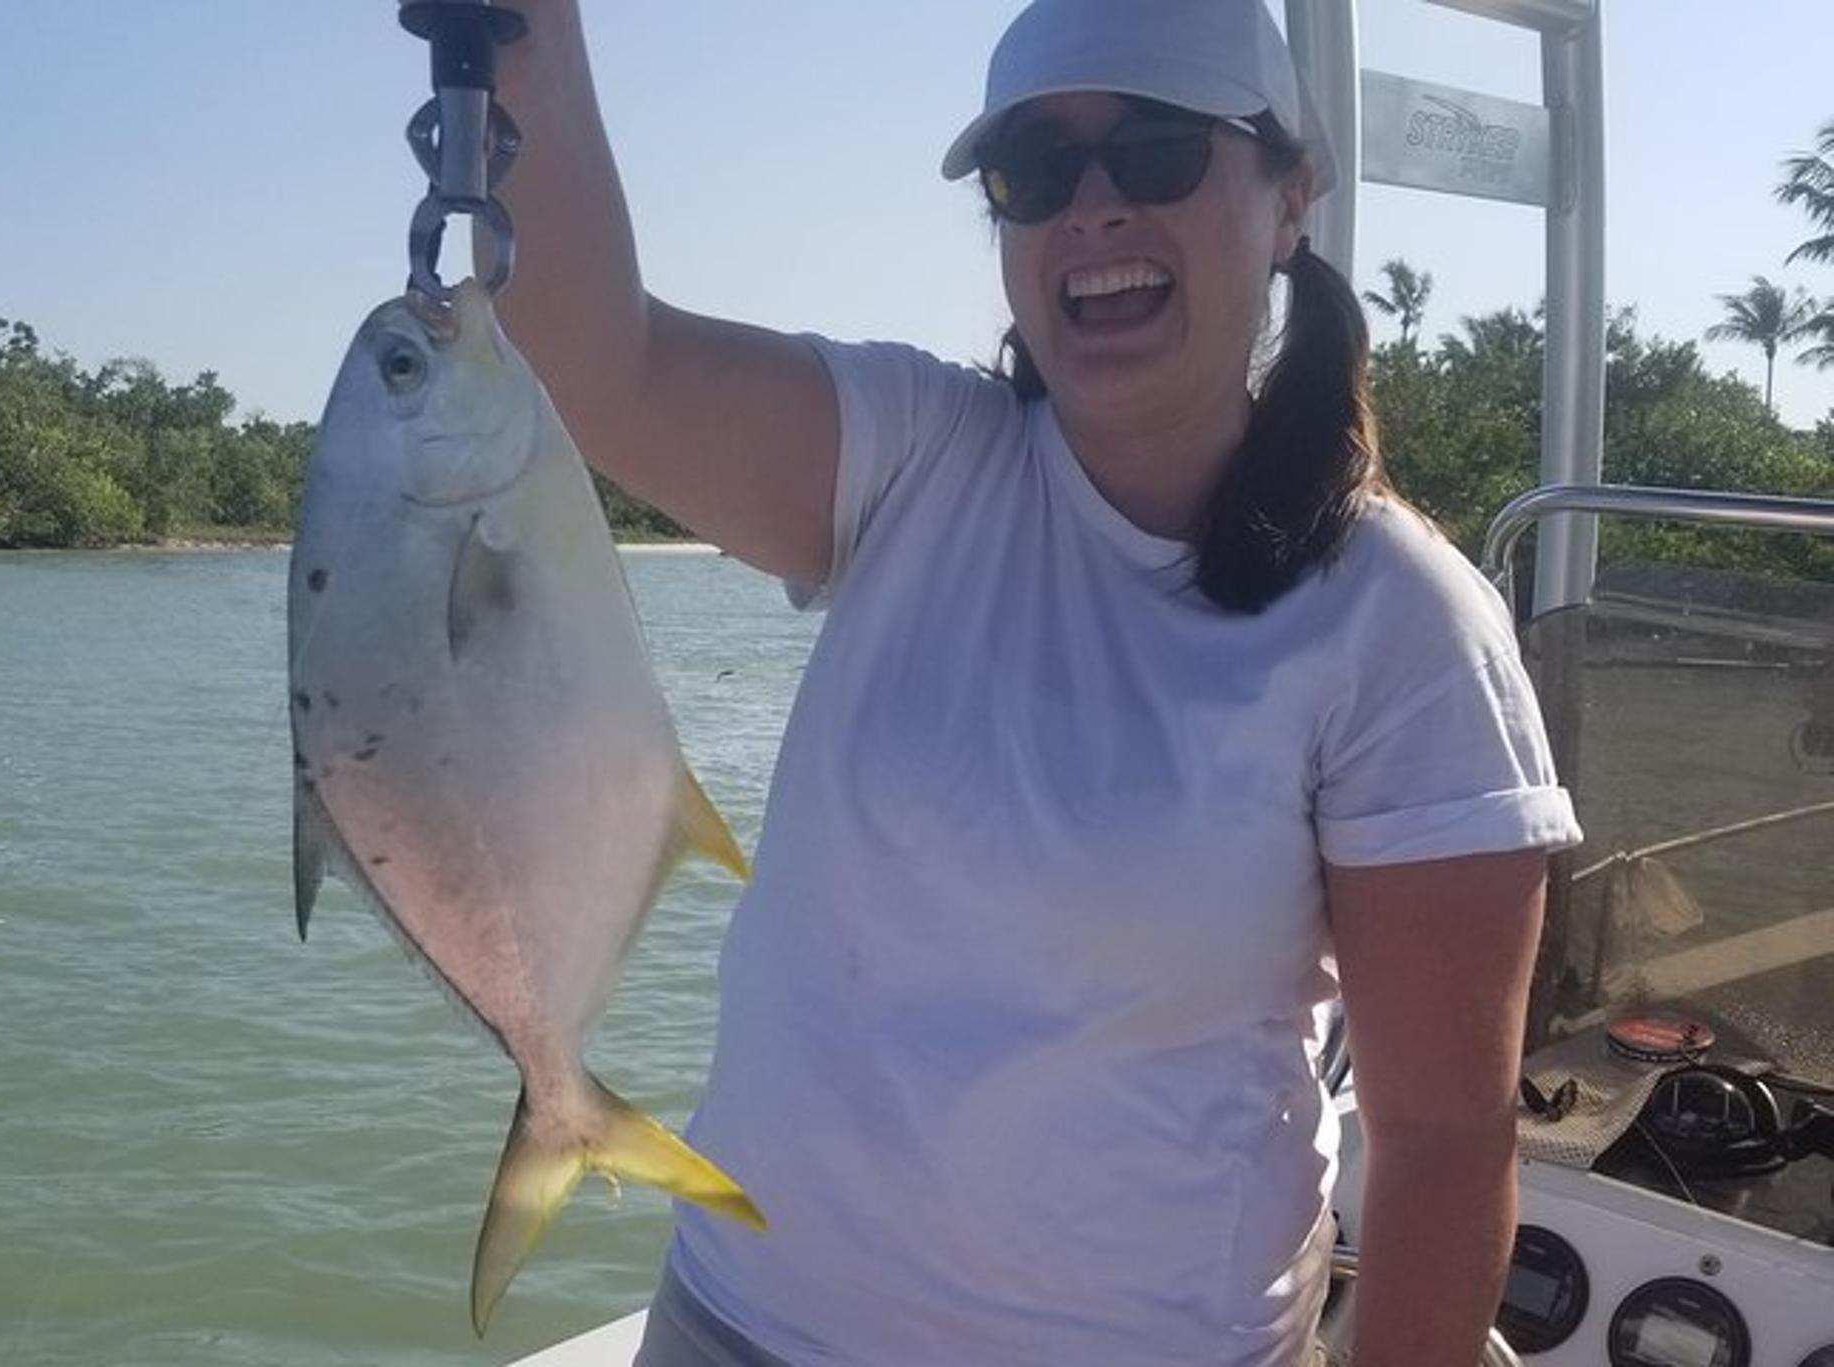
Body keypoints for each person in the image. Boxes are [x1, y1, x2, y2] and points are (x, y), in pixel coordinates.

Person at [492, 0, 1583, 1362]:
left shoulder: (1402, 624)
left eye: (1161, 151)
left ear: (1290, 196)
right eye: (1037, 171)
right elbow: (604, 365)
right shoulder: (911, 458)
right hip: (739, 1326)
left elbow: (1439, 1140)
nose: (1096, 208)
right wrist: (524, 35)